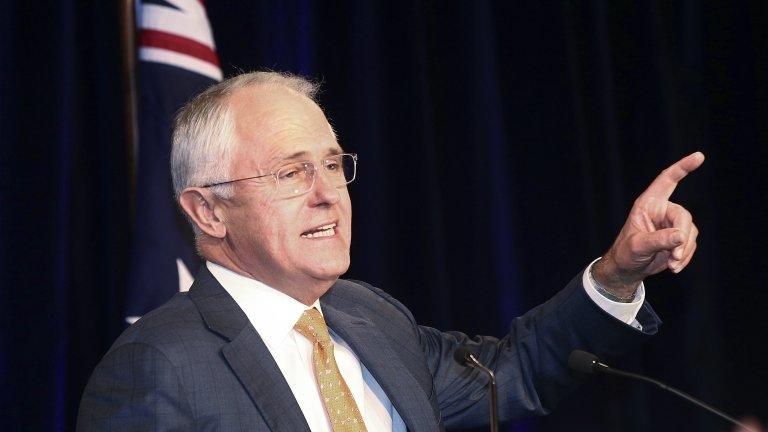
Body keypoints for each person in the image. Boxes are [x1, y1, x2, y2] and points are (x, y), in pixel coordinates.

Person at [77, 72, 703, 431]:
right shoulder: (156, 367)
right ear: (208, 210)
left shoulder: (369, 318)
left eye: (332, 164)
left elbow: (516, 371)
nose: (329, 196)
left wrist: (618, 274)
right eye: (291, 174)